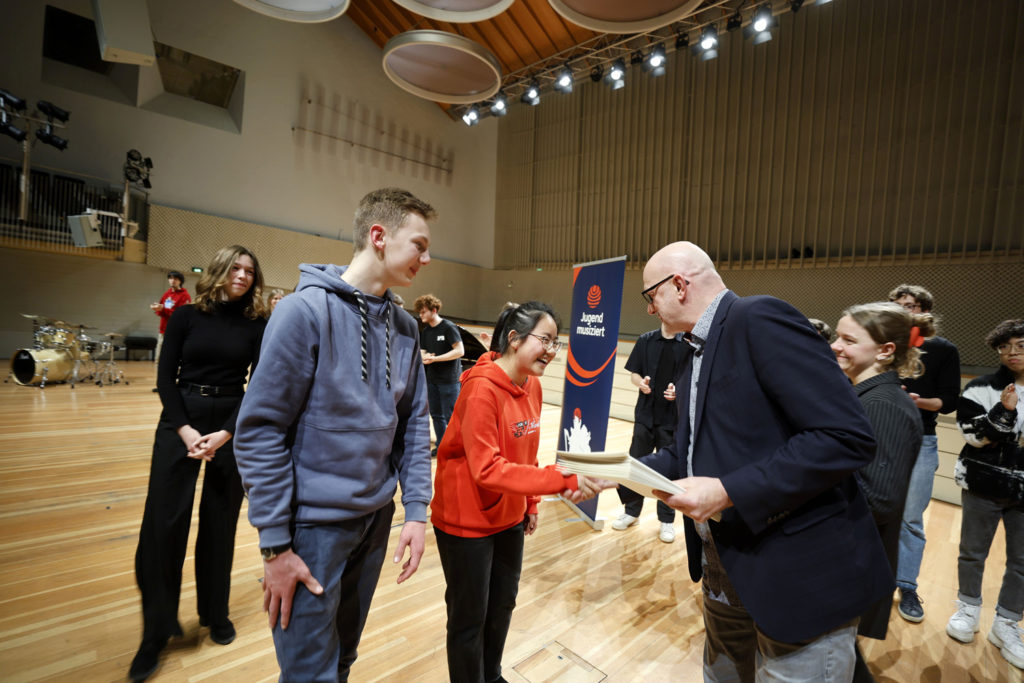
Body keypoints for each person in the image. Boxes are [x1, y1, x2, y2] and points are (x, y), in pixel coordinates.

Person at [640, 241, 892, 681]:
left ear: (678, 285)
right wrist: (617, 475)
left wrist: (727, 491)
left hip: (795, 572)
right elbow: (689, 452)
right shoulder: (691, 353)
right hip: (727, 568)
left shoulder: (757, 318)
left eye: (650, 296)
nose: (650, 310)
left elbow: (844, 437)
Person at [233, 188, 436, 681]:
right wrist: (275, 547)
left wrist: (416, 511)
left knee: (342, 661)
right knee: (308, 673)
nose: (427, 259)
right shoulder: (303, 313)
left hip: (374, 523)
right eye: (419, 244)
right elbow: (259, 432)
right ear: (379, 237)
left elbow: (413, 424)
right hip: (311, 531)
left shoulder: (407, 328)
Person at [430, 301, 613, 682]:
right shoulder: (480, 390)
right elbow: (486, 468)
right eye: (544, 340)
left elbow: (526, 452)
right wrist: (563, 480)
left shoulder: (533, 385)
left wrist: (530, 502)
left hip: (509, 517)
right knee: (469, 618)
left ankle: (492, 675)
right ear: (514, 339)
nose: (551, 350)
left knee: (502, 606)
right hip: (467, 522)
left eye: (555, 343)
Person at [130, 246, 267, 681]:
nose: (242, 276)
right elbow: (164, 379)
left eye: (249, 271)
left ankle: (215, 612)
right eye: (236, 268)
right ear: (220, 270)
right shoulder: (187, 316)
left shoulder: (256, 324)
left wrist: (226, 432)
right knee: (163, 525)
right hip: (181, 418)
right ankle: (155, 632)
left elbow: (258, 385)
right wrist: (185, 430)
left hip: (230, 423)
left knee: (219, 523)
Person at [831, 302, 929, 680]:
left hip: (851, 560)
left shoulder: (882, 405)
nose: (835, 346)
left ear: (886, 350)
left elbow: (879, 500)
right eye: (837, 336)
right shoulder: (868, 397)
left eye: (848, 339)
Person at [945, 319, 1024, 670]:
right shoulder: (980, 388)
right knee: (972, 552)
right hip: (984, 483)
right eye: (1004, 347)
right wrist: (1004, 412)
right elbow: (974, 436)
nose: (1012, 353)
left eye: (1020, 345)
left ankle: (1006, 623)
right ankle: (968, 609)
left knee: (1022, 561)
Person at [886, 284, 961, 622]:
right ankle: (868, 580)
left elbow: (949, 401)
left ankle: (907, 585)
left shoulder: (944, 350)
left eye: (913, 306)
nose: (907, 311)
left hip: (921, 439)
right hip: (878, 437)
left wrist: (916, 401)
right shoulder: (883, 345)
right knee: (868, 511)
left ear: (925, 311)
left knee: (911, 519)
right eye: (900, 305)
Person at [611, 321, 688, 543]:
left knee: (666, 472)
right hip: (645, 416)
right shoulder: (646, 340)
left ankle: (666, 521)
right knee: (636, 464)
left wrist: (678, 391)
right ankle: (631, 512)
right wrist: (641, 384)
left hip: (671, 420)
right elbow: (634, 373)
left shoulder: (686, 344)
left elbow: (690, 380)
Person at [413, 294, 465, 456]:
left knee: (451, 416)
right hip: (432, 379)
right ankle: (442, 446)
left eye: (423, 312)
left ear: (433, 310)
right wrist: (425, 357)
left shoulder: (448, 327)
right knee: (436, 415)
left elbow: (460, 351)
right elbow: (422, 353)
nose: (420, 315)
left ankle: (456, 448)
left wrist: (435, 359)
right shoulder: (427, 331)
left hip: (449, 380)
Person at [150, 270, 191, 391]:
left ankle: (174, 383)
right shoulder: (167, 293)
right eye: (170, 278)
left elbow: (182, 315)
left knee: (174, 359)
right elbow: (161, 312)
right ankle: (161, 383)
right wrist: (159, 308)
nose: (172, 280)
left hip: (176, 333)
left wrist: (164, 309)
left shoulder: (184, 296)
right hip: (163, 331)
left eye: (175, 278)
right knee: (159, 359)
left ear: (180, 281)